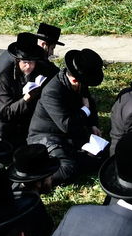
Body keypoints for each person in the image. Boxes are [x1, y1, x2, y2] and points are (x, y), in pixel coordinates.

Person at [26, 48, 105, 184]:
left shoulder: (80, 84)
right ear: (75, 80)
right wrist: (84, 111)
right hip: (47, 137)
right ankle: (38, 180)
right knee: (68, 169)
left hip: (71, 136)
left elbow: (89, 103)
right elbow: (67, 124)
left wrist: (93, 124)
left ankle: (80, 156)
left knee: (104, 156)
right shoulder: (52, 92)